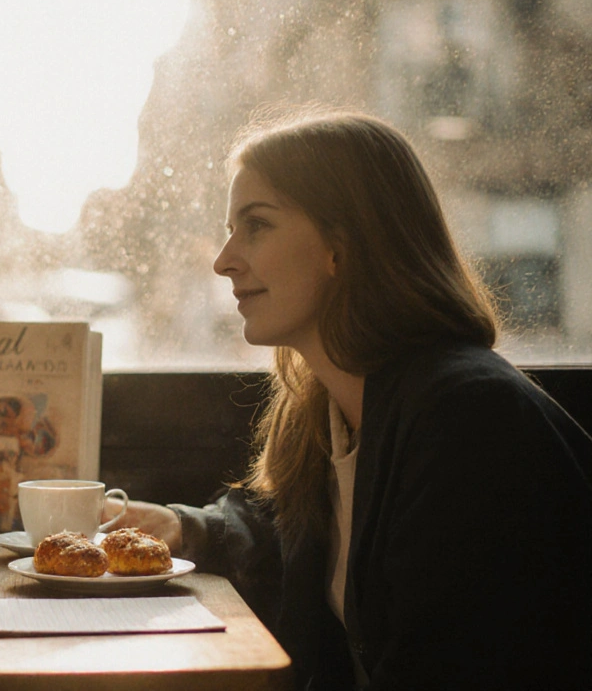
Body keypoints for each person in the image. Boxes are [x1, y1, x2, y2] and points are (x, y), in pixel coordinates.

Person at [107, 110, 592, 690]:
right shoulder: (328, 409)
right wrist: (181, 528)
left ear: (343, 247)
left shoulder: (466, 420)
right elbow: (291, 531)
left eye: (256, 225)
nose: (223, 260)